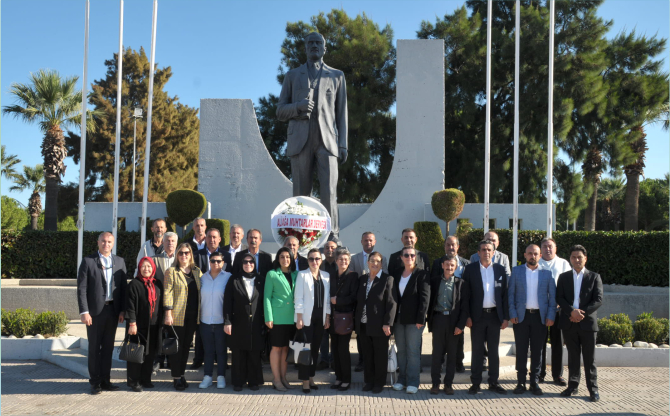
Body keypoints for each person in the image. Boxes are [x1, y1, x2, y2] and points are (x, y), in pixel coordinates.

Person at [276, 31, 348, 239]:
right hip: (300, 141)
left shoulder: (336, 76)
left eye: (319, 43)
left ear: (325, 48)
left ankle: (332, 235)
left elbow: (342, 114)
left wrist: (342, 144)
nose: (315, 46)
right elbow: (280, 111)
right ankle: (299, 236)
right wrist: (298, 107)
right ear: (305, 48)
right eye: (311, 43)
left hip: (327, 141)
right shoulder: (292, 76)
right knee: (300, 193)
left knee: (329, 192)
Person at [77, 232, 127, 395]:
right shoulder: (88, 261)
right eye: (103, 241)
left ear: (113, 244)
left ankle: (106, 380)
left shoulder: (119, 261)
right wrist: (84, 311)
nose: (106, 244)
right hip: (94, 313)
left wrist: (122, 310)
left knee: (108, 347)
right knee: (94, 347)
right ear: (98, 242)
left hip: (112, 311)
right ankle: (95, 382)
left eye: (109, 242)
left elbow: (123, 289)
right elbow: (82, 288)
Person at [556, 245, 603, 403]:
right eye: (573, 257)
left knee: (590, 359)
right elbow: (559, 298)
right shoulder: (564, 277)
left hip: (587, 324)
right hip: (569, 323)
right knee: (573, 357)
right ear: (570, 259)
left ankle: (593, 389)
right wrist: (571, 312)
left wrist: (580, 313)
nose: (576, 260)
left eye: (579, 257)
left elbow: (598, 300)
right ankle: (572, 386)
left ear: (585, 258)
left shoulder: (594, 277)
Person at [508, 244, 556, 396]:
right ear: (525, 255)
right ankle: (520, 382)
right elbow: (511, 295)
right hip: (521, 317)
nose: (532, 256)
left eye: (535, 254)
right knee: (521, 350)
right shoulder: (516, 272)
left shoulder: (547, 274)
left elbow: (552, 298)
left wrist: (550, 316)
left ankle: (534, 382)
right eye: (530, 253)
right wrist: (512, 313)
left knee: (537, 351)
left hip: (540, 318)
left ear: (540, 255)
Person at [464, 240, 509, 395]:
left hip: (495, 316)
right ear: (478, 253)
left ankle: (493, 382)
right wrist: (467, 316)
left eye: (489, 249)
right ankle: (475, 383)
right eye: (483, 249)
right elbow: (466, 296)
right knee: (477, 351)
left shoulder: (500, 269)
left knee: (493, 351)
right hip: (477, 317)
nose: (486, 252)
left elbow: (504, 295)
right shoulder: (470, 269)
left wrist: (505, 317)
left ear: (494, 252)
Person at [427, 254, 470, 395]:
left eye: (452, 265)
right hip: (439, 320)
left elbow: (464, 307)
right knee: (437, 354)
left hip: (453, 322)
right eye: (447, 264)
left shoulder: (461, 283)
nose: (449, 267)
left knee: (452, 355)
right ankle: (435, 383)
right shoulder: (434, 282)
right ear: (442, 265)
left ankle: (448, 384)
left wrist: (460, 325)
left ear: (456, 267)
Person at [355, 252, 396, 394]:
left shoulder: (387, 279)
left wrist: (387, 323)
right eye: (372, 261)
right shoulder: (362, 279)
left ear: (381, 263)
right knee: (367, 355)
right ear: (368, 262)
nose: (374, 263)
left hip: (380, 325)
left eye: (378, 261)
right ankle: (369, 381)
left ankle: (379, 383)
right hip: (363, 324)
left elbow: (391, 303)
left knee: (380, 356)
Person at [224, 253, 266, 391]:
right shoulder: (233, 279)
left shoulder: (261, 280)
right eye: (245, 262)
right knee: (238, 353)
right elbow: (227, 302)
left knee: (254, 353)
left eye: (251, 262)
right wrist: (227, 321)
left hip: (256, 322)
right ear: (241, 264)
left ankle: (253, 381)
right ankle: (238, 381)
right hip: (238, 322)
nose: (248, 265)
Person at [164, 243, 202, 391]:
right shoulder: (171, 271)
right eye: (180, 253)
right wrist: (168, 313)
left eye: (186, 253)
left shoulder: (197, 272)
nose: (184, 256)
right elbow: (167, 293)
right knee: (176, 348)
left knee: (186, 347)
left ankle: (182, 374)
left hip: (193, 317)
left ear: (191, 254)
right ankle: (176, 377)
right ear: (177, 255)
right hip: (177, 316)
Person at [391, 246, 430, 394]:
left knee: (413, 351)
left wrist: (421, 318)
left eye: (412, 255)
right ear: (401, 257)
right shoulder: (396, 274)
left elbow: (425, 298)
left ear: (416, 257)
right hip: (399, 318)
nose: (409, 258)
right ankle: (402, 379)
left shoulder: (422, 274)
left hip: (415, 320)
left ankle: (413, 381)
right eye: (406, 255)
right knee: (401, 351)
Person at [191, 228, 230, 370]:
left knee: (220, 347)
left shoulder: (226, 256)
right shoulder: (197, 255)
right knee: (202, 340)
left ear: (220, 239)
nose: (212, 240)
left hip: (220, 311)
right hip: (205, 307)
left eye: (215, 237)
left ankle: (221, 369)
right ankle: (198, 361)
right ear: (205, 238)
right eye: (209, 237)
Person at [350, 231, 388, 372]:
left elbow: (386, 278)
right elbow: (353, 278)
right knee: (362, 338)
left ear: (375, 241)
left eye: (371, 240)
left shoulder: (383, 258)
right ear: (361, 242)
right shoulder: (355, 259)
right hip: (361, 300)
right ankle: (361, 361)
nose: (368, 243)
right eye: (366, 240)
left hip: (376, 306)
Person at [294, 248, 331, 393]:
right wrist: (299, 318)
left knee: (315, 349)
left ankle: (311, 377)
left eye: (317, 259)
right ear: (307, 260)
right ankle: (304, 381)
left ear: (321, 260)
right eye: (311, 259)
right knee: (305, 350)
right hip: (306, 318)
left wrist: (327, 317)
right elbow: (298, 298)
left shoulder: (326, 276)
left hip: (320, 318)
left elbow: (327, 299)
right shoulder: (302, 275)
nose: (314, 262)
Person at [125, 257, 163, 392]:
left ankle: (146, 379)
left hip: (153, 326)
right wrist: (132, 323)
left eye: (149, 266)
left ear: (153, 268)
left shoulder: (157, 284)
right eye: (143, 266)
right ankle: (134, 381)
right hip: (138, 326)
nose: (146, 269)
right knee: (136, 353)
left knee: (149, 354)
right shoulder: (134, 284)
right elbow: (130, 306)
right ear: (139, 268)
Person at [263, 247, 298, 391]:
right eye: (282, 257)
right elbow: (266, 297)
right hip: (277, 317)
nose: (285, 260)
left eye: (288, 257)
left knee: (285, 349)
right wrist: (268, 317)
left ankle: (283, 378)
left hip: (292, 318)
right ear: (278, 259)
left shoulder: (296, 274)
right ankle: (276, 379)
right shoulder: (272, 274)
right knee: (276, 348)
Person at [538, 237, 571, 386]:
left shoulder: (563, 263)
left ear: (555, 248)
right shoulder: (535, 263)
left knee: (557, 343)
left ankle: (558, 375)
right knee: (540, 342)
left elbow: (569, 287)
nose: (547, 249)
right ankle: (539, 373)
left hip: (558, 309)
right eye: (544, 246)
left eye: (550, 246)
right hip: (540, 309)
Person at [198, 251, 232, 390]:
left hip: (221, 321)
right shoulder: (202, 277)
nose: (215, 263)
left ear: (223, 263)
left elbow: (230, 300)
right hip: (205, 320)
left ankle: (221, 377)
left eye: (218, 261)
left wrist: (228, 321)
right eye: (213, 261)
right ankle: (207, 377)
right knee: (208, 351)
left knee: (221, 350)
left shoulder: (228, 277)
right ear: (209, 261)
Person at [327, 248, 358, 391]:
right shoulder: (331, 276)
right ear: (336, 261)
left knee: (343, 350)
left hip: (345, 317)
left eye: (346, 259)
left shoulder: (353, 276)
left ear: (349, 261)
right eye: (340, 259)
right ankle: (338, 378)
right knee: (335, 350)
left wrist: (337, 300)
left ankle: (346, 380)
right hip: (332, 318)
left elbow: (353, 298)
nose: (343, 262)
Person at [317, 239, 339, 370]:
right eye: (327, 248)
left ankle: (335, 360)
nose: (330, 250)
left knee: (336, 334)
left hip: (337, 304)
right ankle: (324, 359)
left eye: (333, 247)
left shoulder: (341, 264)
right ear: (323, 251)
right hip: (322, 304)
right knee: (323, 335)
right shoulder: (319, 265)